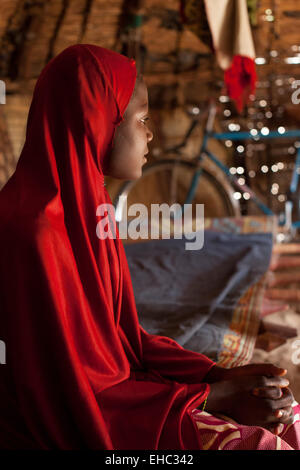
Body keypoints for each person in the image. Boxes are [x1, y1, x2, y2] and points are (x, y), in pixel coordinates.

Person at [0, 44, 299, 450]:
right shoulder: (33, 232)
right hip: (90, 411)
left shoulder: (92, 207)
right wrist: (212, 398)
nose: (150, 134)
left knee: (286, 412)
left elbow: (126, 342)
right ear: (97, 122)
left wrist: (216, 377)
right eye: (141, 119)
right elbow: (68, 391)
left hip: (121, 395)